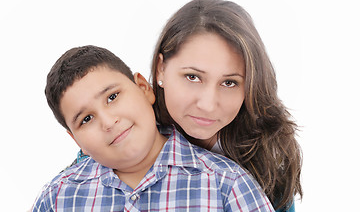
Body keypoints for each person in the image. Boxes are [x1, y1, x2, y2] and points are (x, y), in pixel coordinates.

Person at [32, 45, 274, 211]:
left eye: (113, 97)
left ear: (143, 87)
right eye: (86, 119)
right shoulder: (59, 197)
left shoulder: (226, 183)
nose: (108, 122)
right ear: (75, 140)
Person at [150, 0, 302, 211]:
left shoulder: (267, 158)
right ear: (161, 69)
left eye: (229, 82)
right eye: (193, 77)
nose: (208, 105)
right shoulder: (124, 132)